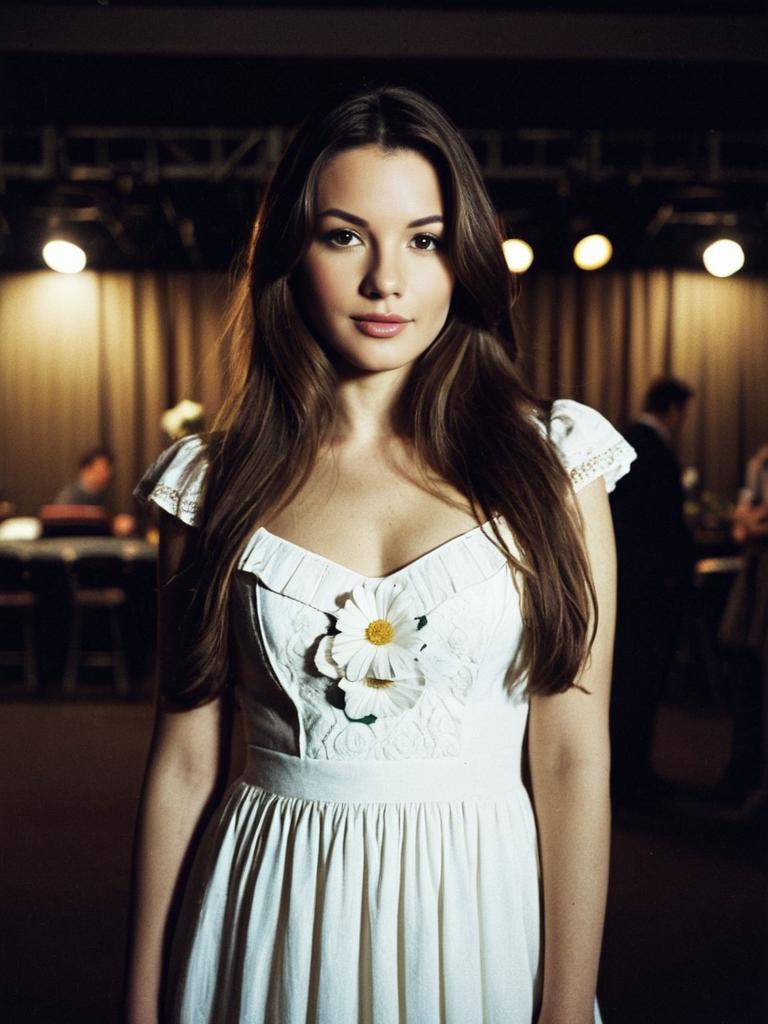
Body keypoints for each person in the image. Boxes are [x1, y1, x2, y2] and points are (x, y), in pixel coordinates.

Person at [125, 87, 635, 1024]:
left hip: (479, 908)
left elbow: (571, 761)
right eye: (345, 235)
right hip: (268, 905)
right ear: (292, 252)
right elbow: (184, 767)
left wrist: (566, 1009)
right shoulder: (211, 482)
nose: (386, 282)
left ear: (463, 259)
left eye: (425, 240)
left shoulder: (556, 464)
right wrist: (143, 1002)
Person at [609, 377, 695, 807]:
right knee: (640, 682)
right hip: (649, 590)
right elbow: (662, 527)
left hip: (627, 585)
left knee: (629, 682)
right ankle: (632, 775)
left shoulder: (626, 440)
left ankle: (631, 771)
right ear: (674, 410)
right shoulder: (652, 448)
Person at [716, 444, 768, 802]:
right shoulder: (759, 462)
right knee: (750, 679)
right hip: (757, 584)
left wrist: (751, 519)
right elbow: (740, 530)